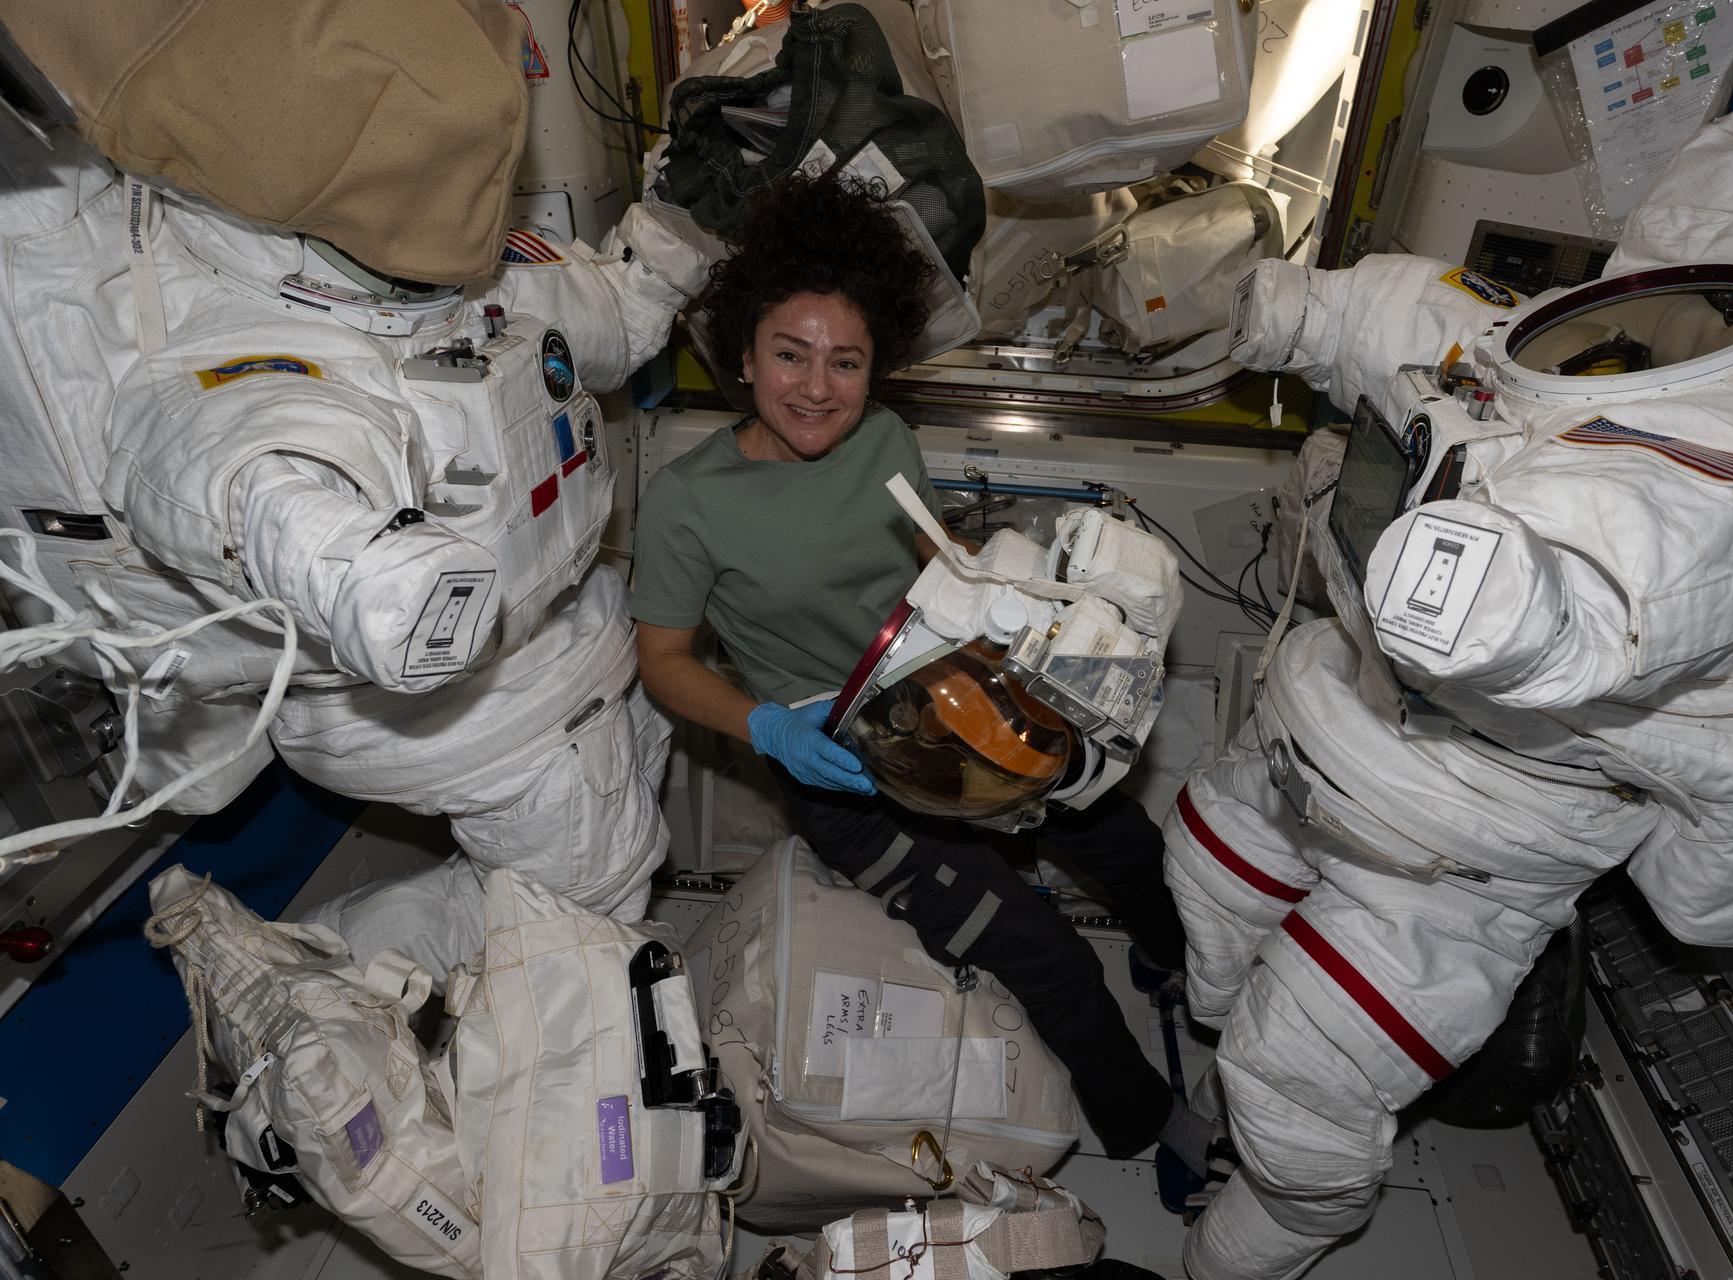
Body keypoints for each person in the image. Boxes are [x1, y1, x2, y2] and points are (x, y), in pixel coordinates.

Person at [1168, 88, 1733, 1279]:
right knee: (1204, 871)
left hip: (1462, 856)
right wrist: (1274, 308)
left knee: (1296, 1077)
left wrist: (1513, 614)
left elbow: (1637, 608)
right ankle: (1202, 1052)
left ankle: (1242, 1243)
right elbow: (1406, 321)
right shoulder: (1550, 350)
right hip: (1324, 726)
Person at [0, 2, 708, 980]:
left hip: (568, 642)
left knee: (601, 845)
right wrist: (368, 577)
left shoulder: (435, 272)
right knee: (587, 905)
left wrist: (679, 235)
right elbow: (239, 478)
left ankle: (310, 988)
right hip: (454, 707)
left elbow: (602, 317)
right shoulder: (248, 348)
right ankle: (308, 1003)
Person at [630, 169, 1210, 1173]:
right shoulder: (688, 500)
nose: (817, 387)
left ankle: (1176, 963)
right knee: (1044, 951)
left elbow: (931, 584)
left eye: (845, 361)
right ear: (741, 353)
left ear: (876, 365)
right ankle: (1153, 1119)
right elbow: (663, 663)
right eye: (791, 354)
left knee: (1120, 833)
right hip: (848, 775)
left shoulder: (887, 440)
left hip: (955, 704)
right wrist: (769, 729)